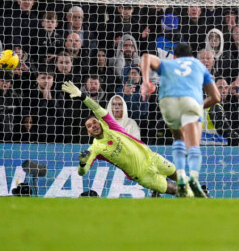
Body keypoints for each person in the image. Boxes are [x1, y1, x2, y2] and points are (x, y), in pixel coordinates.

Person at [60, 81, 178, 197]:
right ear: (88, 133)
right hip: (141, 174)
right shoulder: (95, 149)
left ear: (100, 123)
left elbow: (95, 107)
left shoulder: (110, 125)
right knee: (175, 190)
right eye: (89, 126)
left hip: (151, 157)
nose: (93, 126)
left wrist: (82, 96)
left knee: (179, 177)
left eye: (94, 122)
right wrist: (82, 163)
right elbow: (82, 172)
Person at [140, 43, 220, 198]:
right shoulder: (198, 65)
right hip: (190, 101)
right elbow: (216, 97)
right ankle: (194, 177)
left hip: (167, 101)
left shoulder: (168, 63)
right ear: (192, 57)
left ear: (175, 57)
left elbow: (146, 57)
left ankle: (181, 176)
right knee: (193, 144)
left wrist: (145, 81)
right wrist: (198, 106)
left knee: (178, 138)